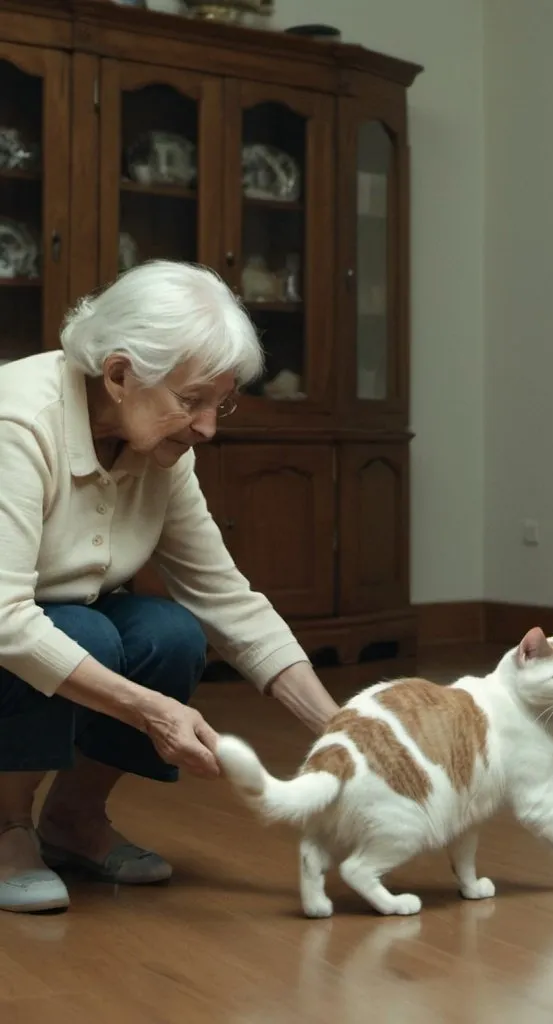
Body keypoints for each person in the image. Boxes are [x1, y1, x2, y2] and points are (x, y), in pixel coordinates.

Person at [0, 260, 340, 913]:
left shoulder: (160, 448)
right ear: (122, 375)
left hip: (65, 628)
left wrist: (344, 730)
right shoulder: (20, 423)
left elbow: (225, 599)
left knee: (172, 634)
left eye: (223, 402)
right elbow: (9, 621)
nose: (209, 428)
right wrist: (153, 711)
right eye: (192, 401)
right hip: (11, 632)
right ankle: (7, 828)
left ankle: (74, 822)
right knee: (88, 632)